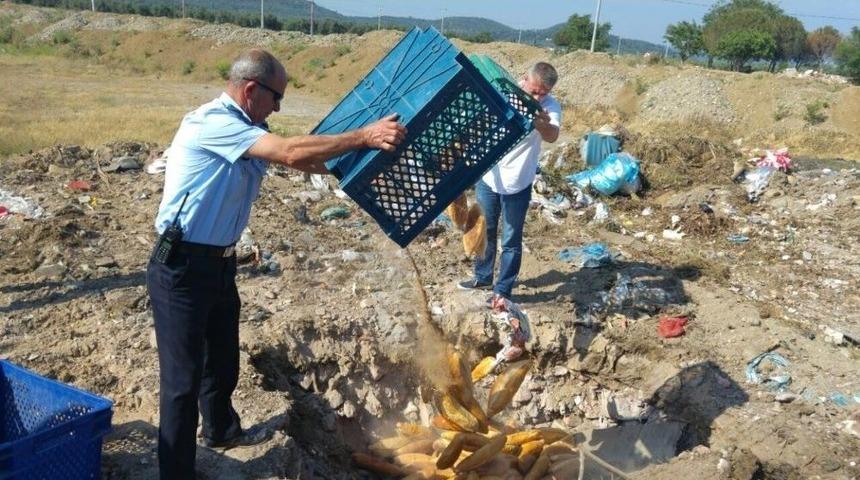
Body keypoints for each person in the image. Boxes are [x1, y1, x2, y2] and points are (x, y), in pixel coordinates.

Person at [146, 48, 406, 480]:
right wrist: (363, 136)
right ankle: (176, 472)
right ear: (251, 90)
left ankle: (221, 430)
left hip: (220, 262)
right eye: (276, 98)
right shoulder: (214, 123)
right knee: (181, 381)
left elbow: (303, 158)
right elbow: (288, 152)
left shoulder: (249, 127)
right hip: (182, 267)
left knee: (223, 358)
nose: (278, 107)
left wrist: (362, 160)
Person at [458, 62, 561, 307]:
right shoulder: (505, 93)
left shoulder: (549, 106)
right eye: (533, 90)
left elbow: (553, 135)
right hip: (490, 178)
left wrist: (541, 124)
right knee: (486, 229)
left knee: (511, 239)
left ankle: (503, 290)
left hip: (519, 182)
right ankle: (482, 277)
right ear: (524, 79)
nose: (536, 96)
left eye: (541, 93)